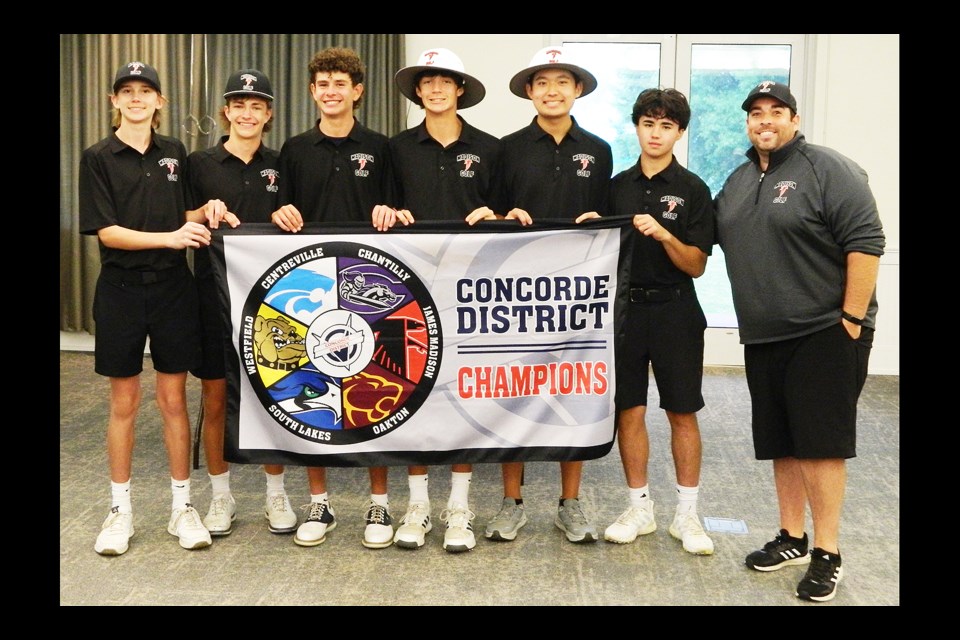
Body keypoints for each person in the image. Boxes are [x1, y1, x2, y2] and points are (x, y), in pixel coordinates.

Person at [714, 81, 885, 602]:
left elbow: (866, 243)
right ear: (747, 122)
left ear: (793, 117)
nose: (765, 120)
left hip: (823, 332)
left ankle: (828, 552)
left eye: (776, 111)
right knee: (782, 443)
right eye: (756, 113)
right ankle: (793, 538)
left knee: (819, 445)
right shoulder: (740, 179)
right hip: (765, 334)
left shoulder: (828, 168)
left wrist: (850, 320)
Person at [80, 61, 217, 554]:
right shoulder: (98, 156)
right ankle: (120, 510)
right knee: (125, 404)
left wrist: (207, 210)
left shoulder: (175, 153)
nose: (136, 99)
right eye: (127, 92)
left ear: (160, 102)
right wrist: (173, 237)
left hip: (172, 289)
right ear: (114, 101)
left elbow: (180, 215)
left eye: (146, 92)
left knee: (174, 401)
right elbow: (108, 231)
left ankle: (182, 507)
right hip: (119, 290)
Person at [373, 47, 504, 553]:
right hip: (410, 287)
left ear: (460, 89)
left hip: (470, 289)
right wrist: (386, 211)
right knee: (412, 392)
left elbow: (508, 214)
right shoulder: (396, 148)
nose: (435, 89)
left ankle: (460, 505)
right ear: (418, 91)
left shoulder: (491, 149)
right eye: (426, 81)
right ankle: (418, 504)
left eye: (444, 81)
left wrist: (494, 213)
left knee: (463, 396)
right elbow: (380, 209)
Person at [578, 88, 715, 555]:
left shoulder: (694, 188)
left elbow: (696, 264)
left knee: (682, 411)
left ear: (679, 132)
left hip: (676, 308)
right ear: (636, 127)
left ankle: (688, 514)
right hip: (625, 311)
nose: (656, 134)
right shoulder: (615, 184)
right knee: (629, 410)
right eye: (649, 124)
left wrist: (664, 234)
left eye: (667, 126)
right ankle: (639, 507)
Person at [484, 45, 613, 544]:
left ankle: (570, 503)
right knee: (512, 393)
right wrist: (502, 217)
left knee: (573, 393)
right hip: (516, 292)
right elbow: (489, 216)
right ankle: (511, 502)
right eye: (543, 82)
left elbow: (607, 217)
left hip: (577, 294)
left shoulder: (598, 150)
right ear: (529, 92)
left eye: (563, 81)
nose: (552, 90)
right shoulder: (507, 148)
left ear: (577, 89)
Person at [270, 46, 398, 549]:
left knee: (376, 393)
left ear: (358, 91)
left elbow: (399, 211)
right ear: (312, 91)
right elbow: (282, 212)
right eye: (322, 83)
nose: (331, 92)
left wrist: (392, 210)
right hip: (314, 287)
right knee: (316, 397)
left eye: (340, 83)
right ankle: (318, 502)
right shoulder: (294, 149)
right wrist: (281, 214)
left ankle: (380, 503)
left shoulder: (383, 148)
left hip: (371, 286)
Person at [186, 69, 299, 538]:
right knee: (216, 398)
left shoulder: (283, 163)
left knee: (271, 396)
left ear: (268, 113)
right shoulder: (198, 163)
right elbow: (179, 219)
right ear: (226, 111)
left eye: (257, 105)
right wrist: (202, 212)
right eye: (239, 104)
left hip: (272, 304)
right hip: (212, 296)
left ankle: (276, 494)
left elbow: (302, 220)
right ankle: (221, 496)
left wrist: (287, 215)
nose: (247, 112)